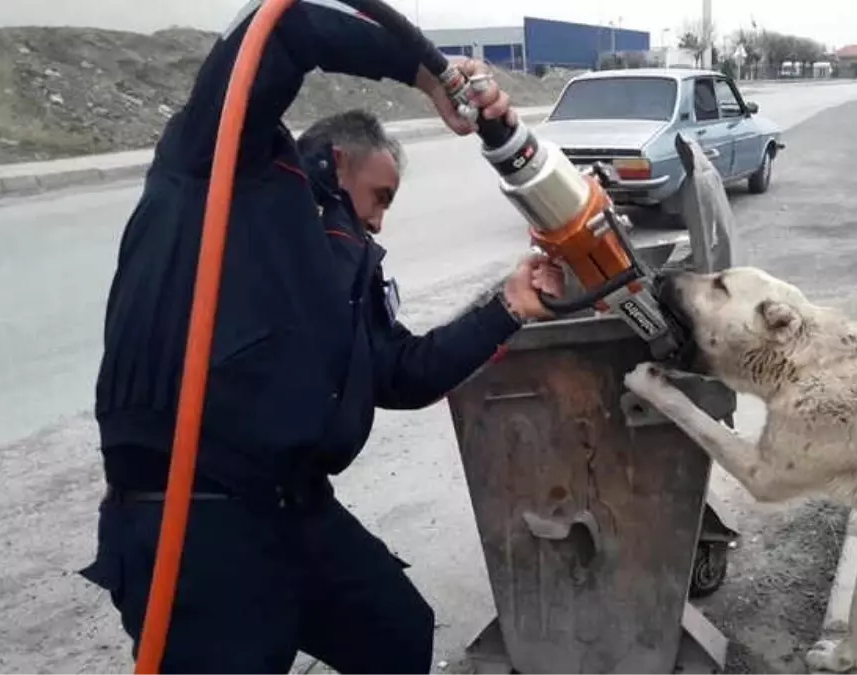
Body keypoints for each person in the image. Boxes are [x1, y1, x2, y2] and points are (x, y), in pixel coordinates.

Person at [78, 2, 563, 673]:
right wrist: (428, 75)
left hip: (292, 510)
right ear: (338, 163)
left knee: (395, 629)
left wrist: (508, 305)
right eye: (381, 196)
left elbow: (400, 373)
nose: (381, 221)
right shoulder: (219, 164)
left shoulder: (344, 266)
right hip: (193, 523)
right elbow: (283, 26)